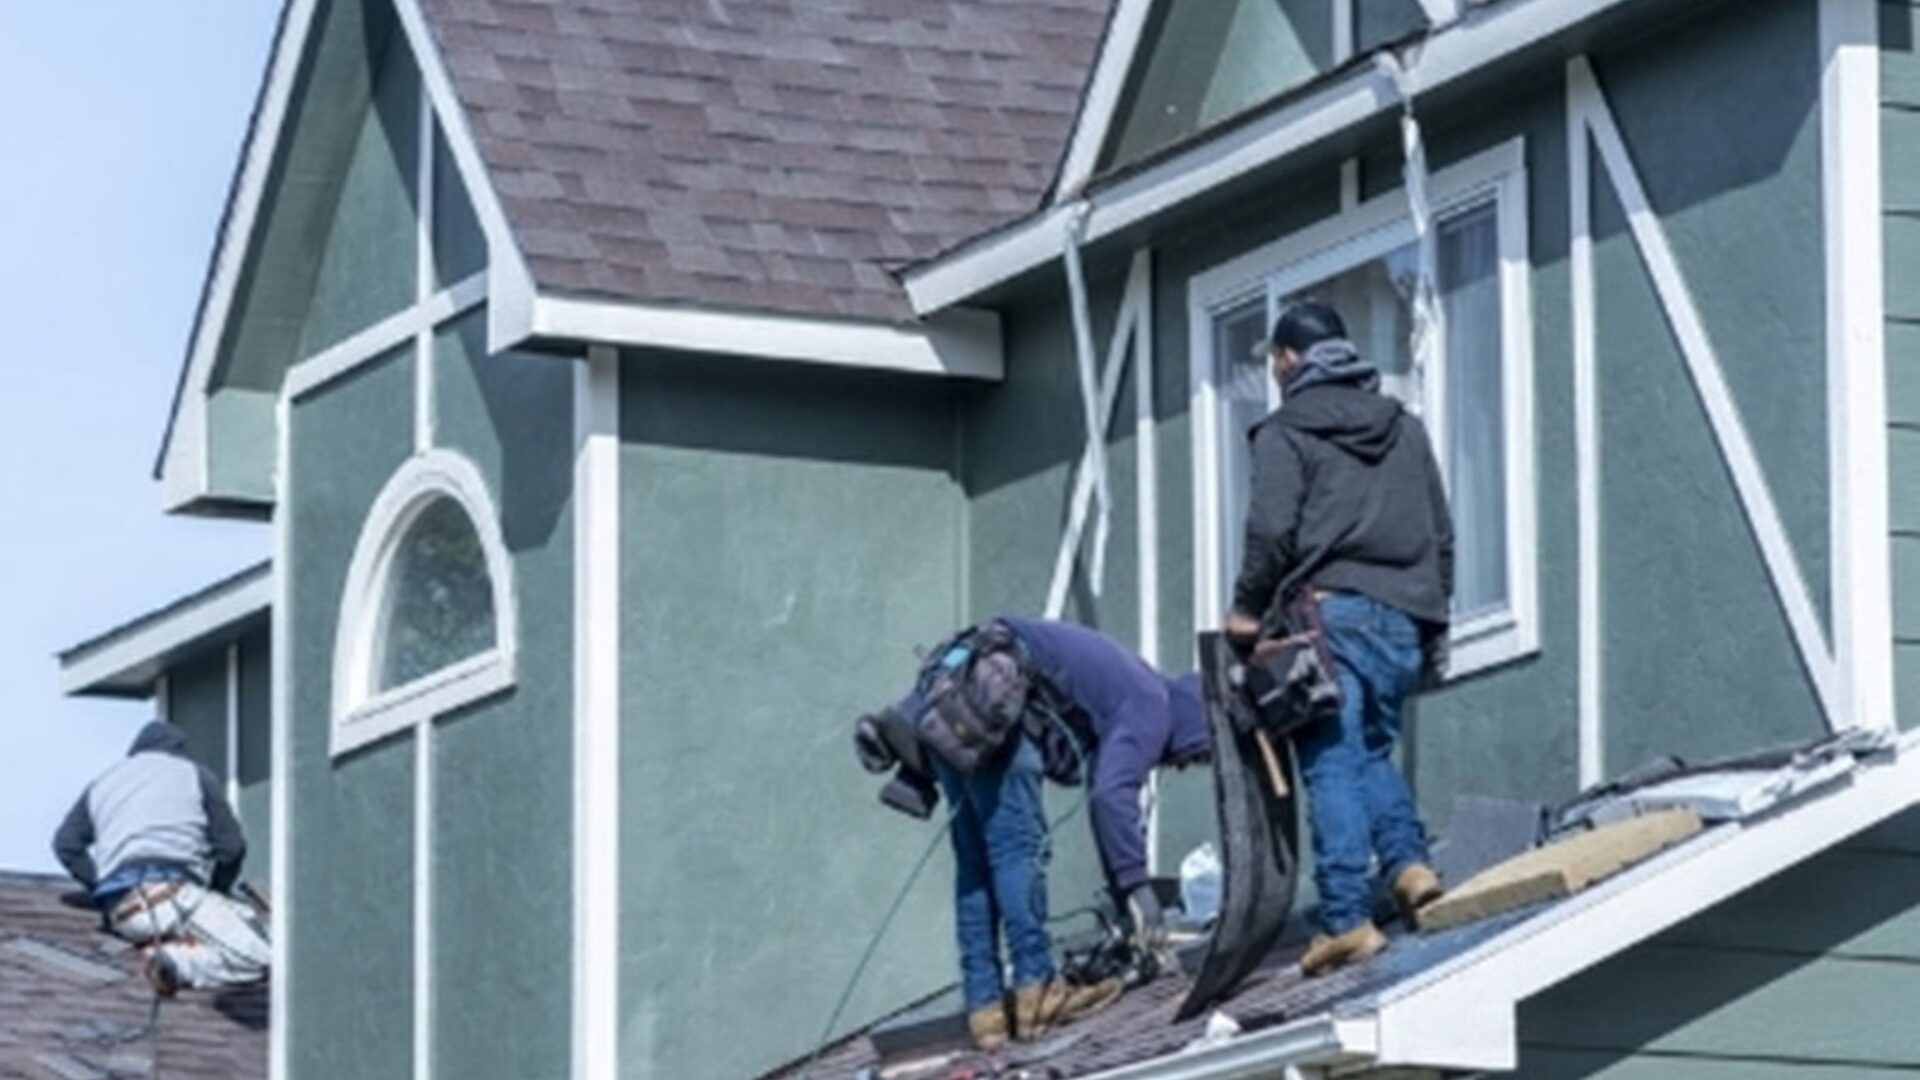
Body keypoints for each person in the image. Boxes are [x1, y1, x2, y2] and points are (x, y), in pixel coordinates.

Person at [1224, 301, 1453, 977]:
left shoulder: (1286, 430)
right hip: (1404, 615)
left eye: (1274, 362)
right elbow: (1439, 531)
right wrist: (1434, 621)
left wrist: (1246, 610)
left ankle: (1346, 918)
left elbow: (1271, 531)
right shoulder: (1404, 427)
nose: (1273, 373)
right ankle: (1409, 867)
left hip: (1330, 617)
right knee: (1370, 750)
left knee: (1328, 761)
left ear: (1289, 359)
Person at [861, 617, 1211, 1049]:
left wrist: (1124, 892)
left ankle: (985, 1010)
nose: (1183, 765)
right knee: (1016, 850)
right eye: (1196, 756)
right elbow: (1110, 796)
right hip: (991, 699)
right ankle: (1037, 989)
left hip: (952, 698)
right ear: (1198, 723)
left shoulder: (1132, 684)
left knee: (974, 865)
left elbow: (1102, 791)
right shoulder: (1152, 703)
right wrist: (1137, 888)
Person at [51, 720, 270, 995]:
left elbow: (66, 845)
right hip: (173, 896)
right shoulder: (193, 775)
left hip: (124, 915)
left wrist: (101, 886)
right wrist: (216, 890)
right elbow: (232, 848)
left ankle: (179, 953)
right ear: (178, 751)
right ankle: (176, 962)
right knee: (262, 954)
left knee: (244, 923)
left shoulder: (103, 783)